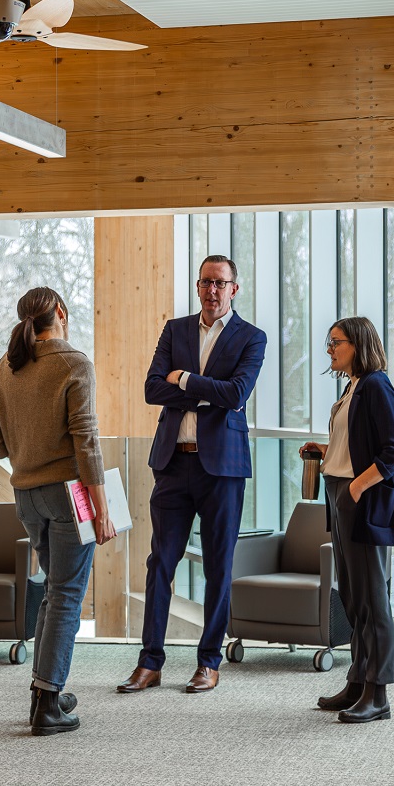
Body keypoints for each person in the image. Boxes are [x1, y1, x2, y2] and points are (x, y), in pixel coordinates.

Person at [117, 255, 267, 694]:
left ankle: (209, 662)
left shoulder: (251, 337)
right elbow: (151, 388)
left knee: (218, 567)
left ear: (234, 289)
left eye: (220, 283)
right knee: (160, 562)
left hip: (222, 469)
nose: (212, 290)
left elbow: (237, 393)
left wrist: (183, 380)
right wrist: (203, 390)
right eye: (205, 282)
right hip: (172, 463)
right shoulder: (175, 330)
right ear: (197, 286)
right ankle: (150, 662)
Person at [0, 286, 116, 736]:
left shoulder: (7, 365)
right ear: (59, 312)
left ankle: (46, 691)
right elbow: (87, 442)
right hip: (67, 494)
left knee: (52, 591)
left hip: (26, 495)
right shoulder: (73, 363)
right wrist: (102, 509)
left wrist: (26, 454)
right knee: (66, 595)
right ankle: (47, 706)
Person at [299, 316, 394, 723]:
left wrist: (359, 487)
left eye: (336, 342)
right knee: (353, 598)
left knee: (372, 600)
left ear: (358, 344)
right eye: (329, 343)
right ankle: (358, 681)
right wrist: (326, 450)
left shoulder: (377, 385)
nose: (330, 349)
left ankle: (378, 694)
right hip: (339, 495)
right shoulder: (353, 387)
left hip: (358, 500)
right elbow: (357, 443)